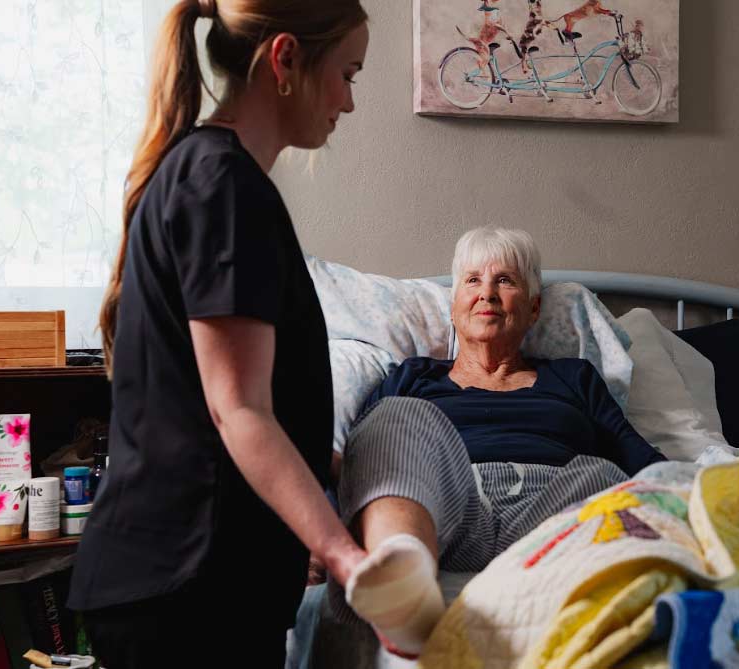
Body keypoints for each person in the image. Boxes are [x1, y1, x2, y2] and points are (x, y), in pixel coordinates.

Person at [67, 1, 369, 666]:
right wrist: (342, 553)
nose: (349, 100)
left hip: (178, 580)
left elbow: (214, 400)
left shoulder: (205, 172)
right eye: (347, 73)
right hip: (188, 589)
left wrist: (338, 468)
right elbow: (237, 408)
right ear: (286, 60)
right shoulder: (224, 186)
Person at [334, 227, 666, 657]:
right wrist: (325, 534)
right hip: (447, 510)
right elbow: (368, 460)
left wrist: (694, 491)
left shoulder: (574, 376)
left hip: (552, 517)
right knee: (393, 418)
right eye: (472, 281)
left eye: (505, 281)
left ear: (533, 309)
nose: (486, 294)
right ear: (454, 308)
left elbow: (637, 457)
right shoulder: (415, 377)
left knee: (603, 473)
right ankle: (403, 579)